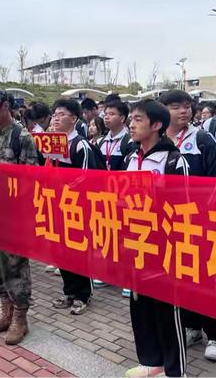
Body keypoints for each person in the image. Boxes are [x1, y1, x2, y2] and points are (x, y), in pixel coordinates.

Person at [159, 89, 216, 362]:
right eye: (176, 107)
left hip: (200, 223)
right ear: (161, 112)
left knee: (209, 279)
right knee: (182, 277)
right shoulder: (157, 142)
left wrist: (203, 217)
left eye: (187, 106)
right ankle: (192, 327)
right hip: (168, 224)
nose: (184, 111)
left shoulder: (202, 139)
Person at [124, 99, 189, 378]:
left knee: (167, 309)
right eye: (132, 118)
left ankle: (175, 370)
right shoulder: (131, 158)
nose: (131, 124)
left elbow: (185, 207)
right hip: (136, 242)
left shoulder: (174, 161)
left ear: (157, 125)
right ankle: (151, 361)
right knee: (140, 304)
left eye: (138, 119)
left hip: (166, 246)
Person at [0, 89, 39, 345]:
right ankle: (6, 311)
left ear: (5, 106)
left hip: (13, 215)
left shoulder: (21, 136)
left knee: (14, 265)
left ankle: (20, 318)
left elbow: (32, 179)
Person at [50, 99, 98, 315]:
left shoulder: (81, 145)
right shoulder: (52, 143)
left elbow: (88, 178)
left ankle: (83, 294)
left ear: (74, 119)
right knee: (60, 250)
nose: (56, 118)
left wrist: (65, 188)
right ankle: (68, 290)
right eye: (55, 114)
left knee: (77, 250)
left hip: (77, 208)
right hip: (56, 205)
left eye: (61, 114)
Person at [95, 100, 134, 295]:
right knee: (107, 235)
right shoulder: (101, 141)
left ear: (123, 118)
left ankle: (128, 277)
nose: (106, 117)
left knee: (126, 237)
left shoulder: (130, 142)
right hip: (105, 197)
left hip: (124, 198)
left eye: (111, 113)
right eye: (105, 113)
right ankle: (108, 273)